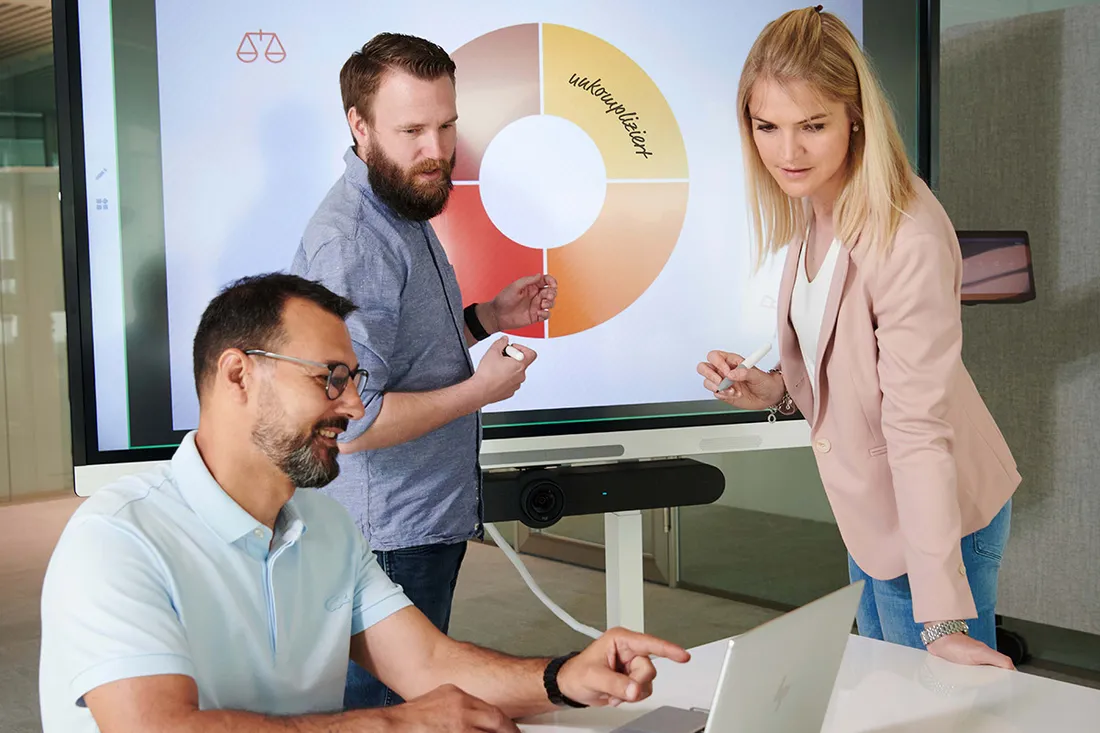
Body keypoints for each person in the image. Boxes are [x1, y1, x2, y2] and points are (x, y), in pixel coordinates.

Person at [39, 273, 687, 733]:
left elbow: (428, 663)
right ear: (238, 374)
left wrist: (563, 677)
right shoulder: (118, 538)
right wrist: (393, 724)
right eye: (331, 379)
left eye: (354, 380)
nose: (353, 405)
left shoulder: (324, 524)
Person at [697, 6, 1020, 668]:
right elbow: (849, 360)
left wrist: (941, 620)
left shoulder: (906, 234)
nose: (787, 152)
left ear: (854, 116)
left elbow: (918, 427)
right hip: (874, 515)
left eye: (812, 126)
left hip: (935, 524)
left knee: (938, 704)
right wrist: (778, 389)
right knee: (884, 695)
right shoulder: (817, 204)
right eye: (767, 126)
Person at [288, 32, 559, 709]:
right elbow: (350, 420)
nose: (436, 150)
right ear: (359, 124)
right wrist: (479, 390)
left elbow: (398, 357)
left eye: (445, 125)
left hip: (413, 524)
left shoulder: (398, 204)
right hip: (389, 537)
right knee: (386, 714)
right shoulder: (356, 241)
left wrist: (485, 318)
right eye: (411, 130)